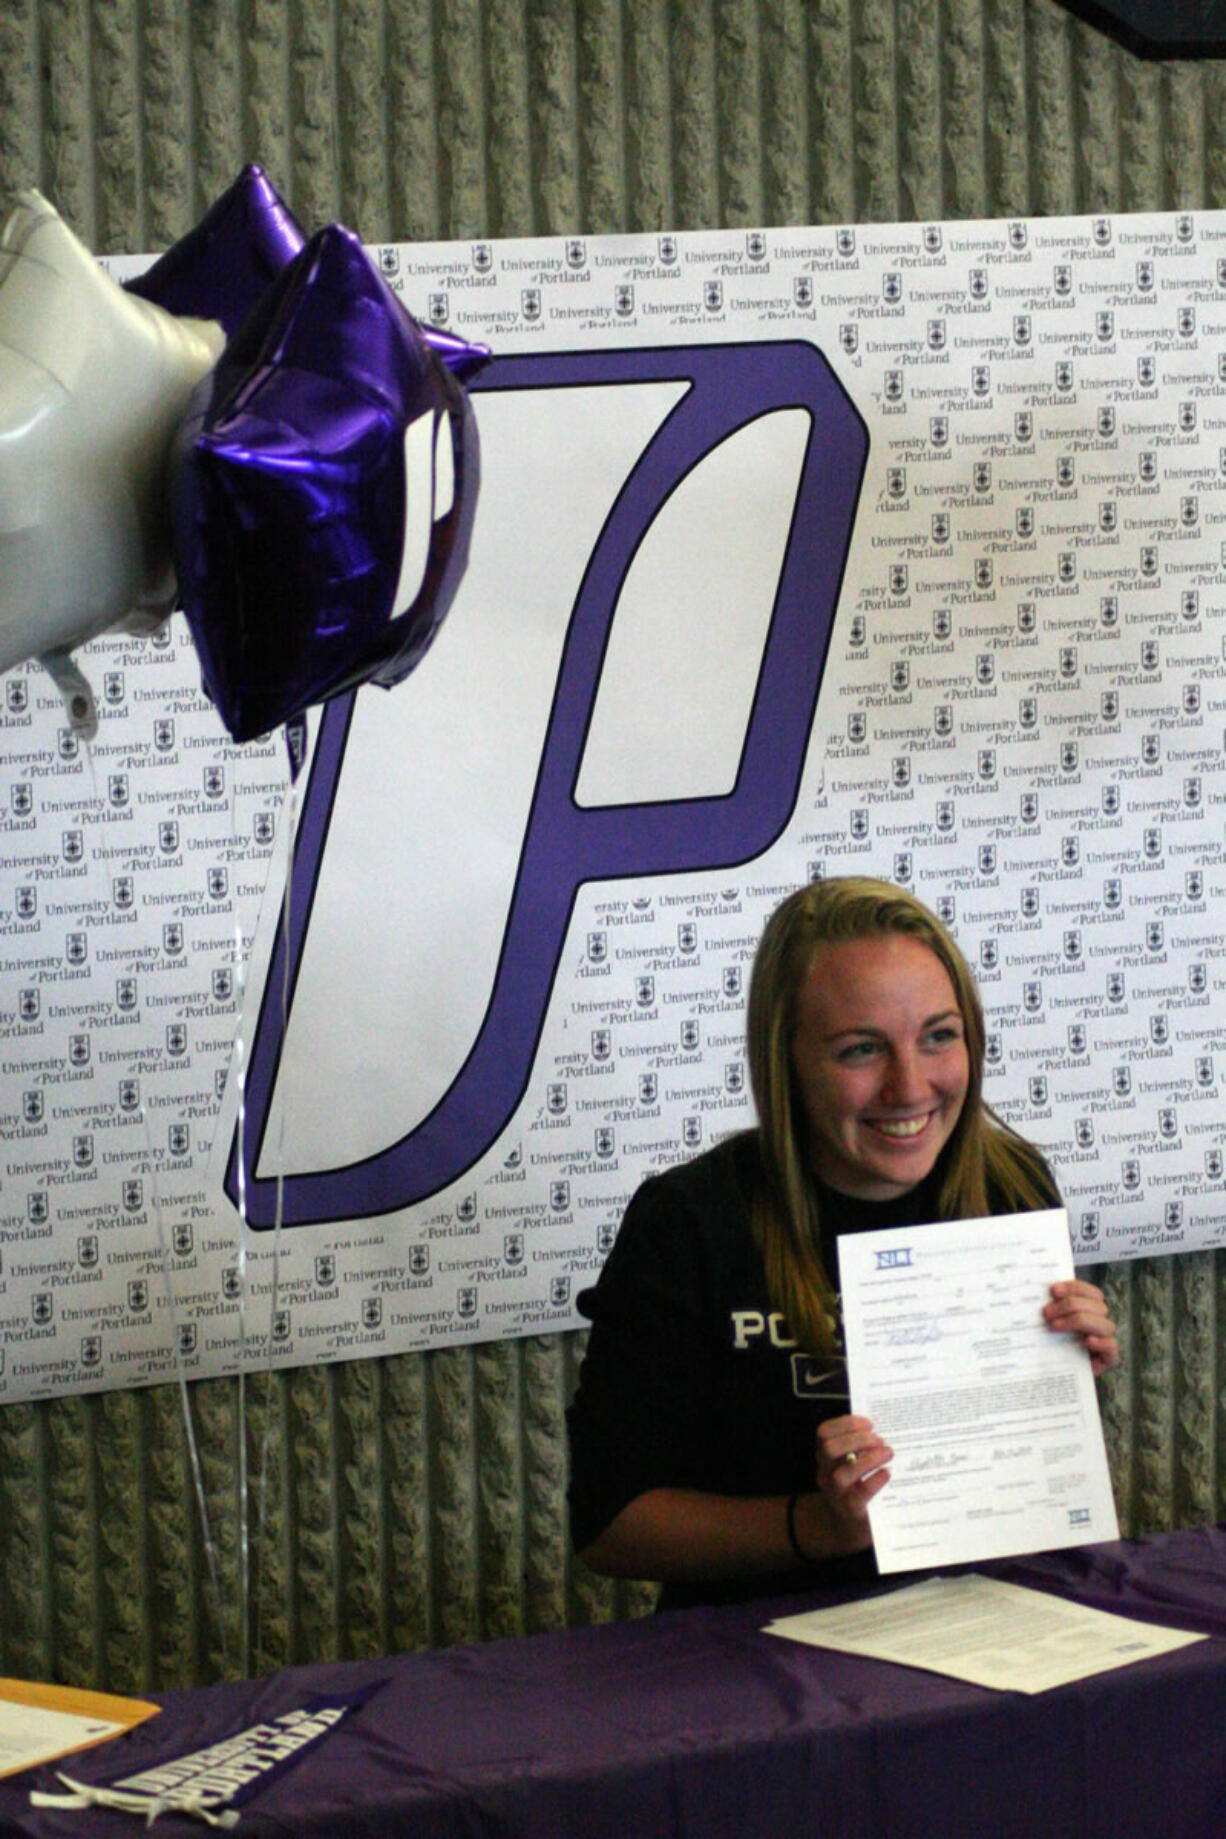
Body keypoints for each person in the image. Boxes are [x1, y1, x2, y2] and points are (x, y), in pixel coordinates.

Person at [567, 876, 1120, 1609]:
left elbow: (1014, 1476)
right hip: (755, 1661)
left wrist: (1062, 1376)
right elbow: (609, 1525)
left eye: (938, 1036)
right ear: (785, 1062)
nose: (910, 1085)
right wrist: (816, 1525)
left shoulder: (1014, 1185)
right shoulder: (690, 1220)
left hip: (991, 1627)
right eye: (862, 1049)